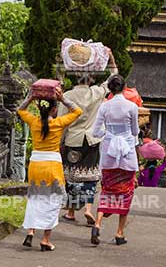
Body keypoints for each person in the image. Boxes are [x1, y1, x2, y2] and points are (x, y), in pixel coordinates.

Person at [17, 87, 82, 251]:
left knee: (34, 198)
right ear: (54, 109)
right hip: (52, 166)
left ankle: (31, 230)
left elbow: (20, 109)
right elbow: (77, 111)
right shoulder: (58, 123)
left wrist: (30, 99)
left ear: (40, 108)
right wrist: (63, 100)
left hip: (36, 165)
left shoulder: (34, 122)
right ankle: (45, 239)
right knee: (53, 202)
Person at [90, 75, 139, 246]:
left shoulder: (104, 107)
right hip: (127, 155)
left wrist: (109, 135)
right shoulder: (132, 107)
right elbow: (134, 131)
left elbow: (96, 132)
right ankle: (119, 233)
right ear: (124, 87)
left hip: (109, 155)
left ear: (110, 89)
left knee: (107, 191)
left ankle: (97, 224)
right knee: (126, 193)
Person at [58, 73, 112, 226]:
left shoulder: (67, 96)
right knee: (91, 174)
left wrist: (59, 141)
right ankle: (88, 208)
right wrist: (112, 60)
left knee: (72, 175)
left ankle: (71, 212)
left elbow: (62, 122)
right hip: (92, 139)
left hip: (73, 139)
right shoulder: (97, 92)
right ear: (92, 80)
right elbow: (112, 79)